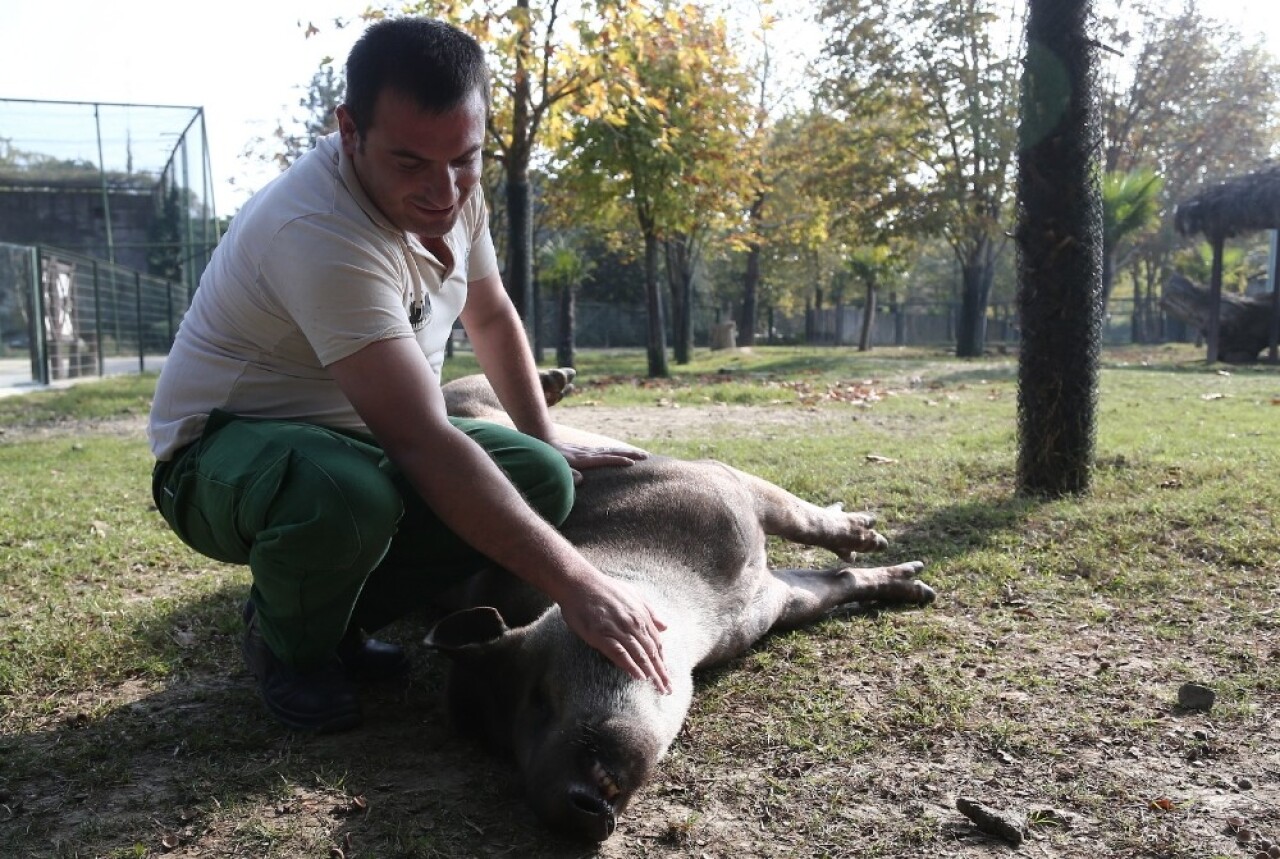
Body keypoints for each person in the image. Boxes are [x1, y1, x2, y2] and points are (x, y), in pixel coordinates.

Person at [148, 17, 670, 733]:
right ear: (349, 130)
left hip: (357, 437)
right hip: (220, 455)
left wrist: (544, 434)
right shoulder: (317, 230)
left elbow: (488, 315)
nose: (442, 191)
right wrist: (581, 584)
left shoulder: (456, 189)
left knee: (541, 477)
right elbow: (422, 440)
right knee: (345, 493)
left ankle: (324, 607)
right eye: (410, 162)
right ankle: (288, 642)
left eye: (465, 157)